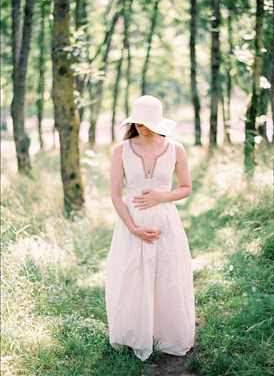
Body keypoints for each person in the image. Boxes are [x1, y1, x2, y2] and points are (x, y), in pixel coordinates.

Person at [104, 95, 196, 361]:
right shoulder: (120, 150)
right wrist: (132, 227)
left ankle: (166, 333)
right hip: (130, 222)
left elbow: (186, 188)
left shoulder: (176, 148)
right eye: (140, 123)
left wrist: (160, 196)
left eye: (149, 123)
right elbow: (115, 195)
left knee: (168, 275)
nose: (144, 128)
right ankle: (135, 333)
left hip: (166, 222)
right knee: (131, 275)